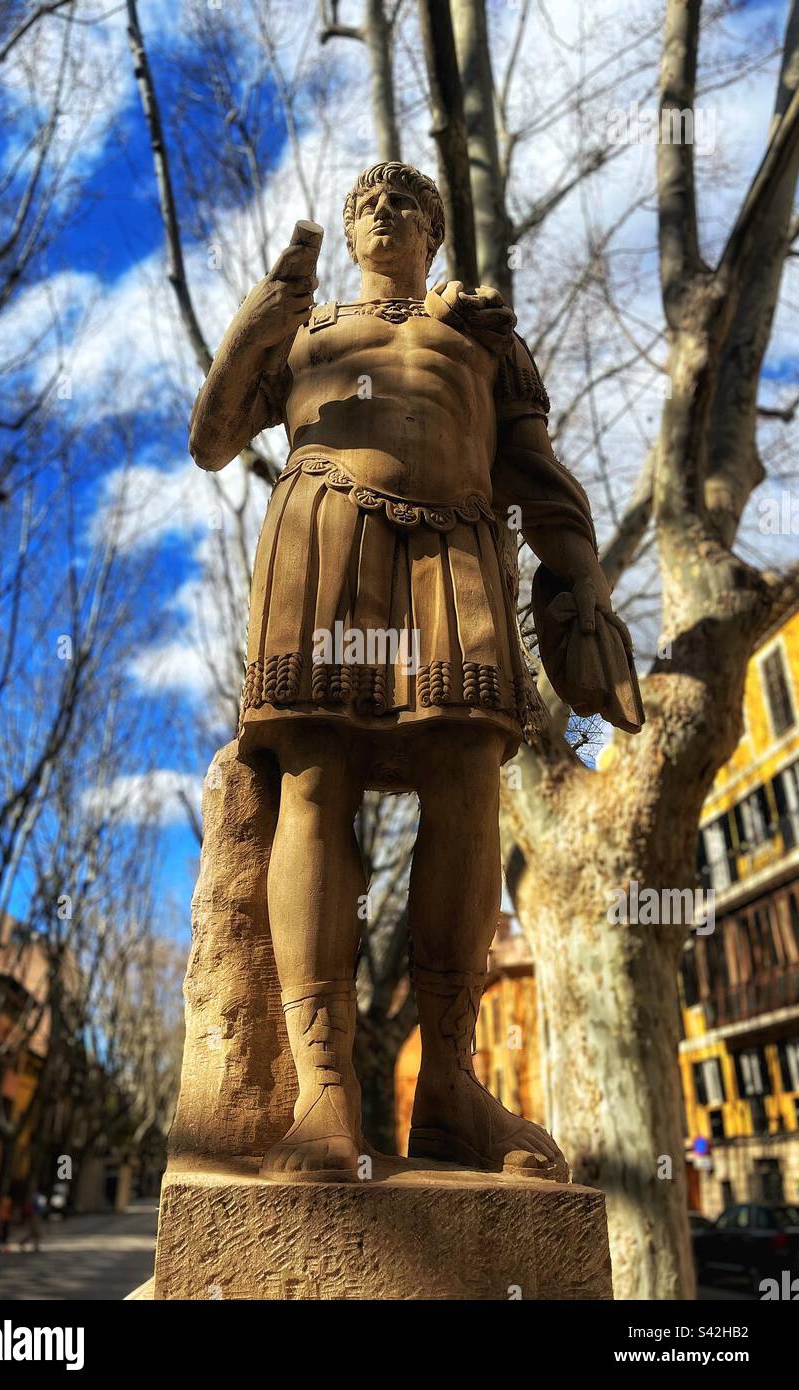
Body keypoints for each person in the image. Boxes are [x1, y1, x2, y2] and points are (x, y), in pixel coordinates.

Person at [190, 161, 644, 1183]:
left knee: (466, 785)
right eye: (366, 202)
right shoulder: (302, 334)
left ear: (434, 229)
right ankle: (323, 1092)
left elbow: (535, 472)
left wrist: (580, 583)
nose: (383, 211)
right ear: (349, 233)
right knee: (313, 781)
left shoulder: (479, 343)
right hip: (322, 540)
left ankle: (447, 1086)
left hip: (457, 559)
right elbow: (212, 439)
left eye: (406, 202)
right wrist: (251, 327)